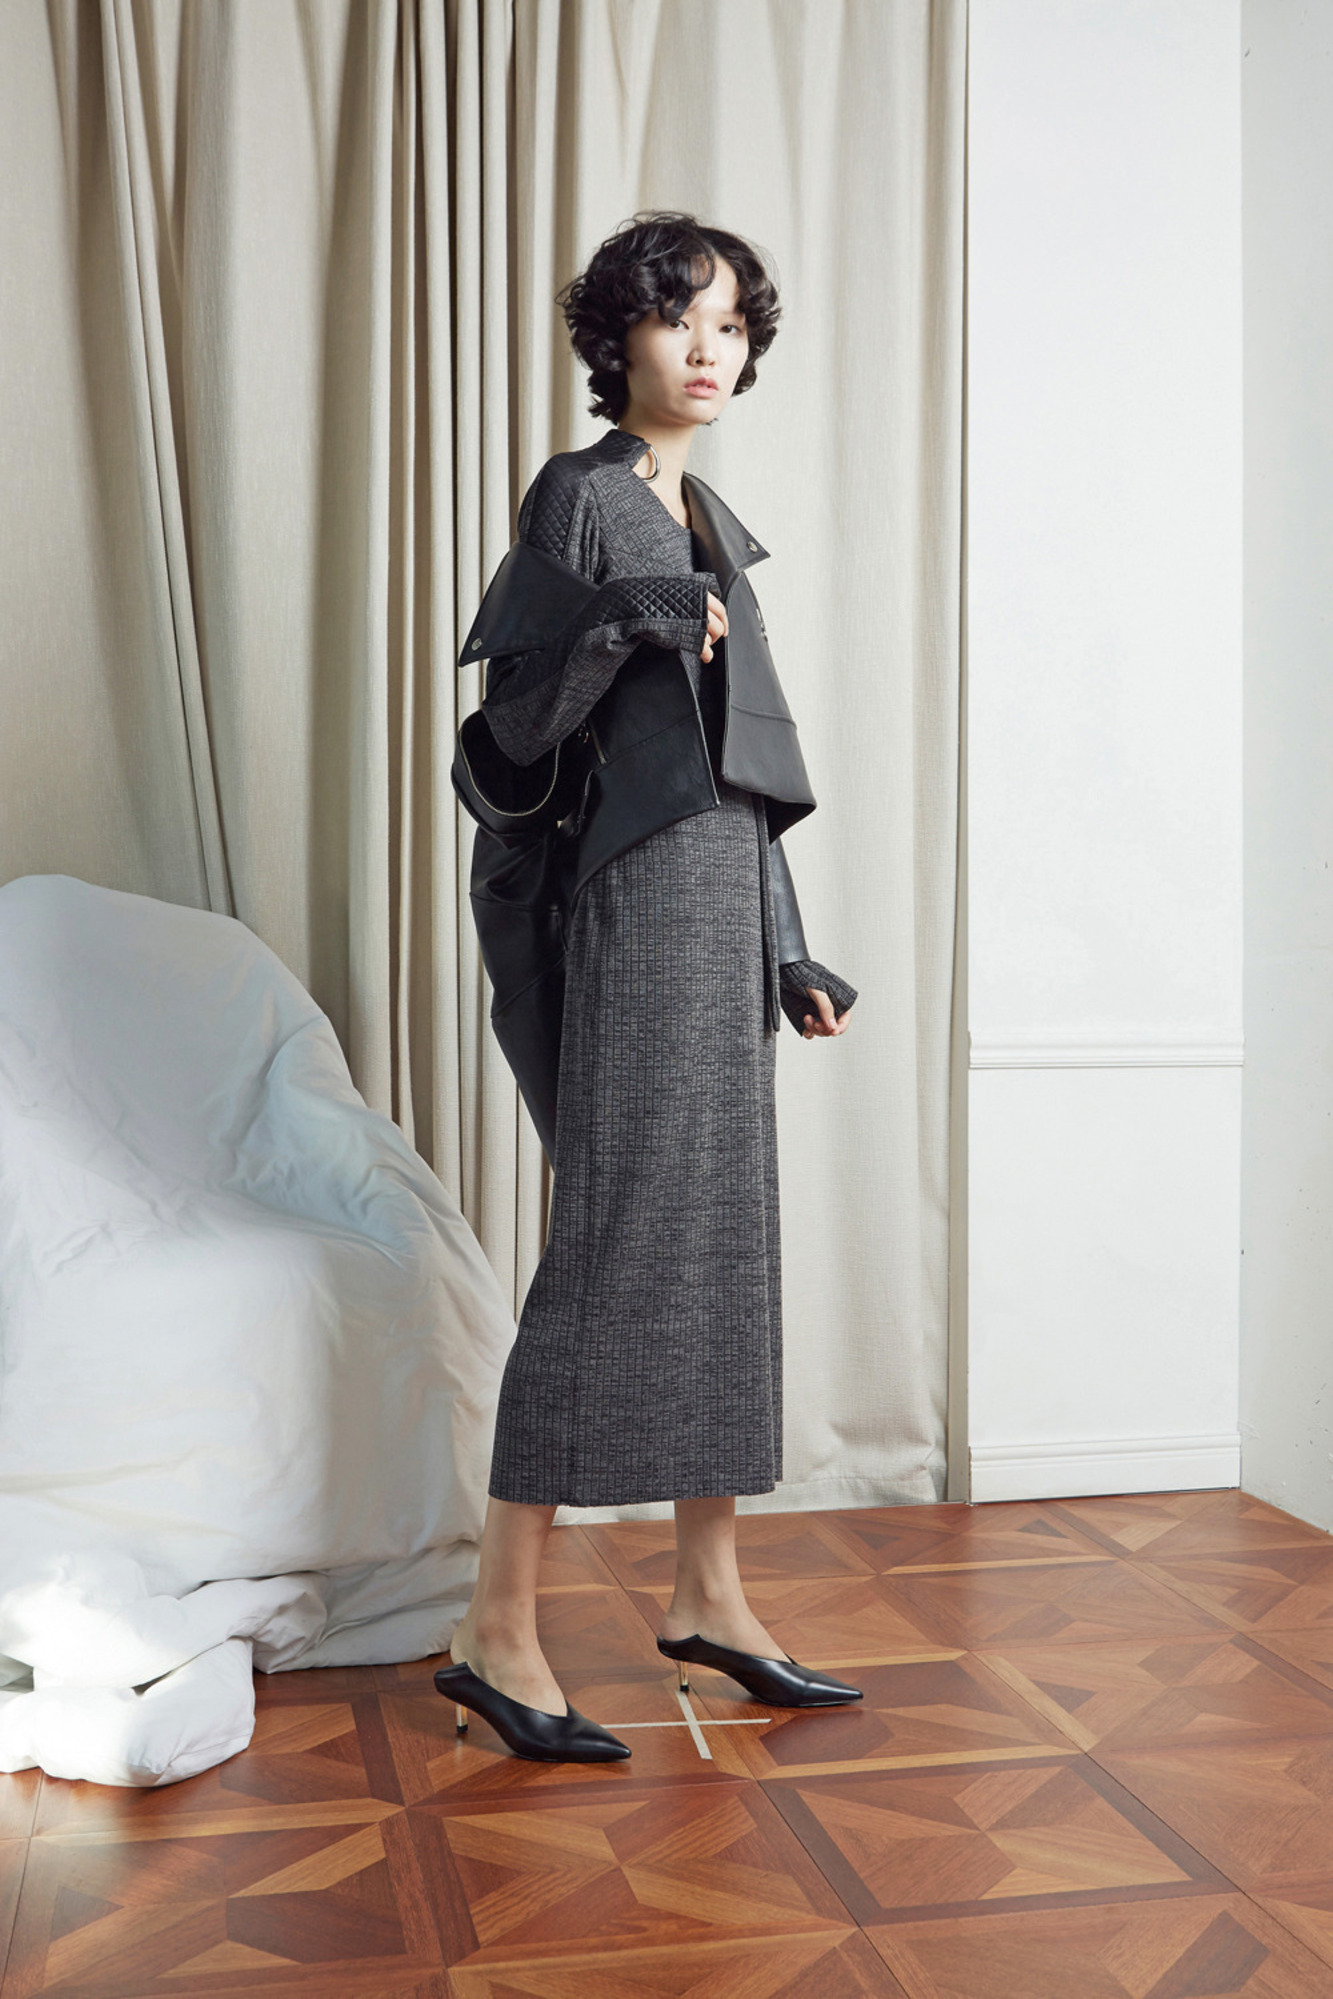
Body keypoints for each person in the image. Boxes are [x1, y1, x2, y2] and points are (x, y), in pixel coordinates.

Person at [436, 212, 861, 1762]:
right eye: (679, 316)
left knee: (719, 1248)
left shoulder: (711, 520)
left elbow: (740, 770)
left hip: (715, 907)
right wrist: (623, 618)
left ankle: (709, 1596)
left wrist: (785, 943)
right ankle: (496, 1630)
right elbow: (511, 733)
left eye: (732, 325)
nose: (706, 348)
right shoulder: (582, 494)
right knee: (615, 1250)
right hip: (623, 908)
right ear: (615, 334)